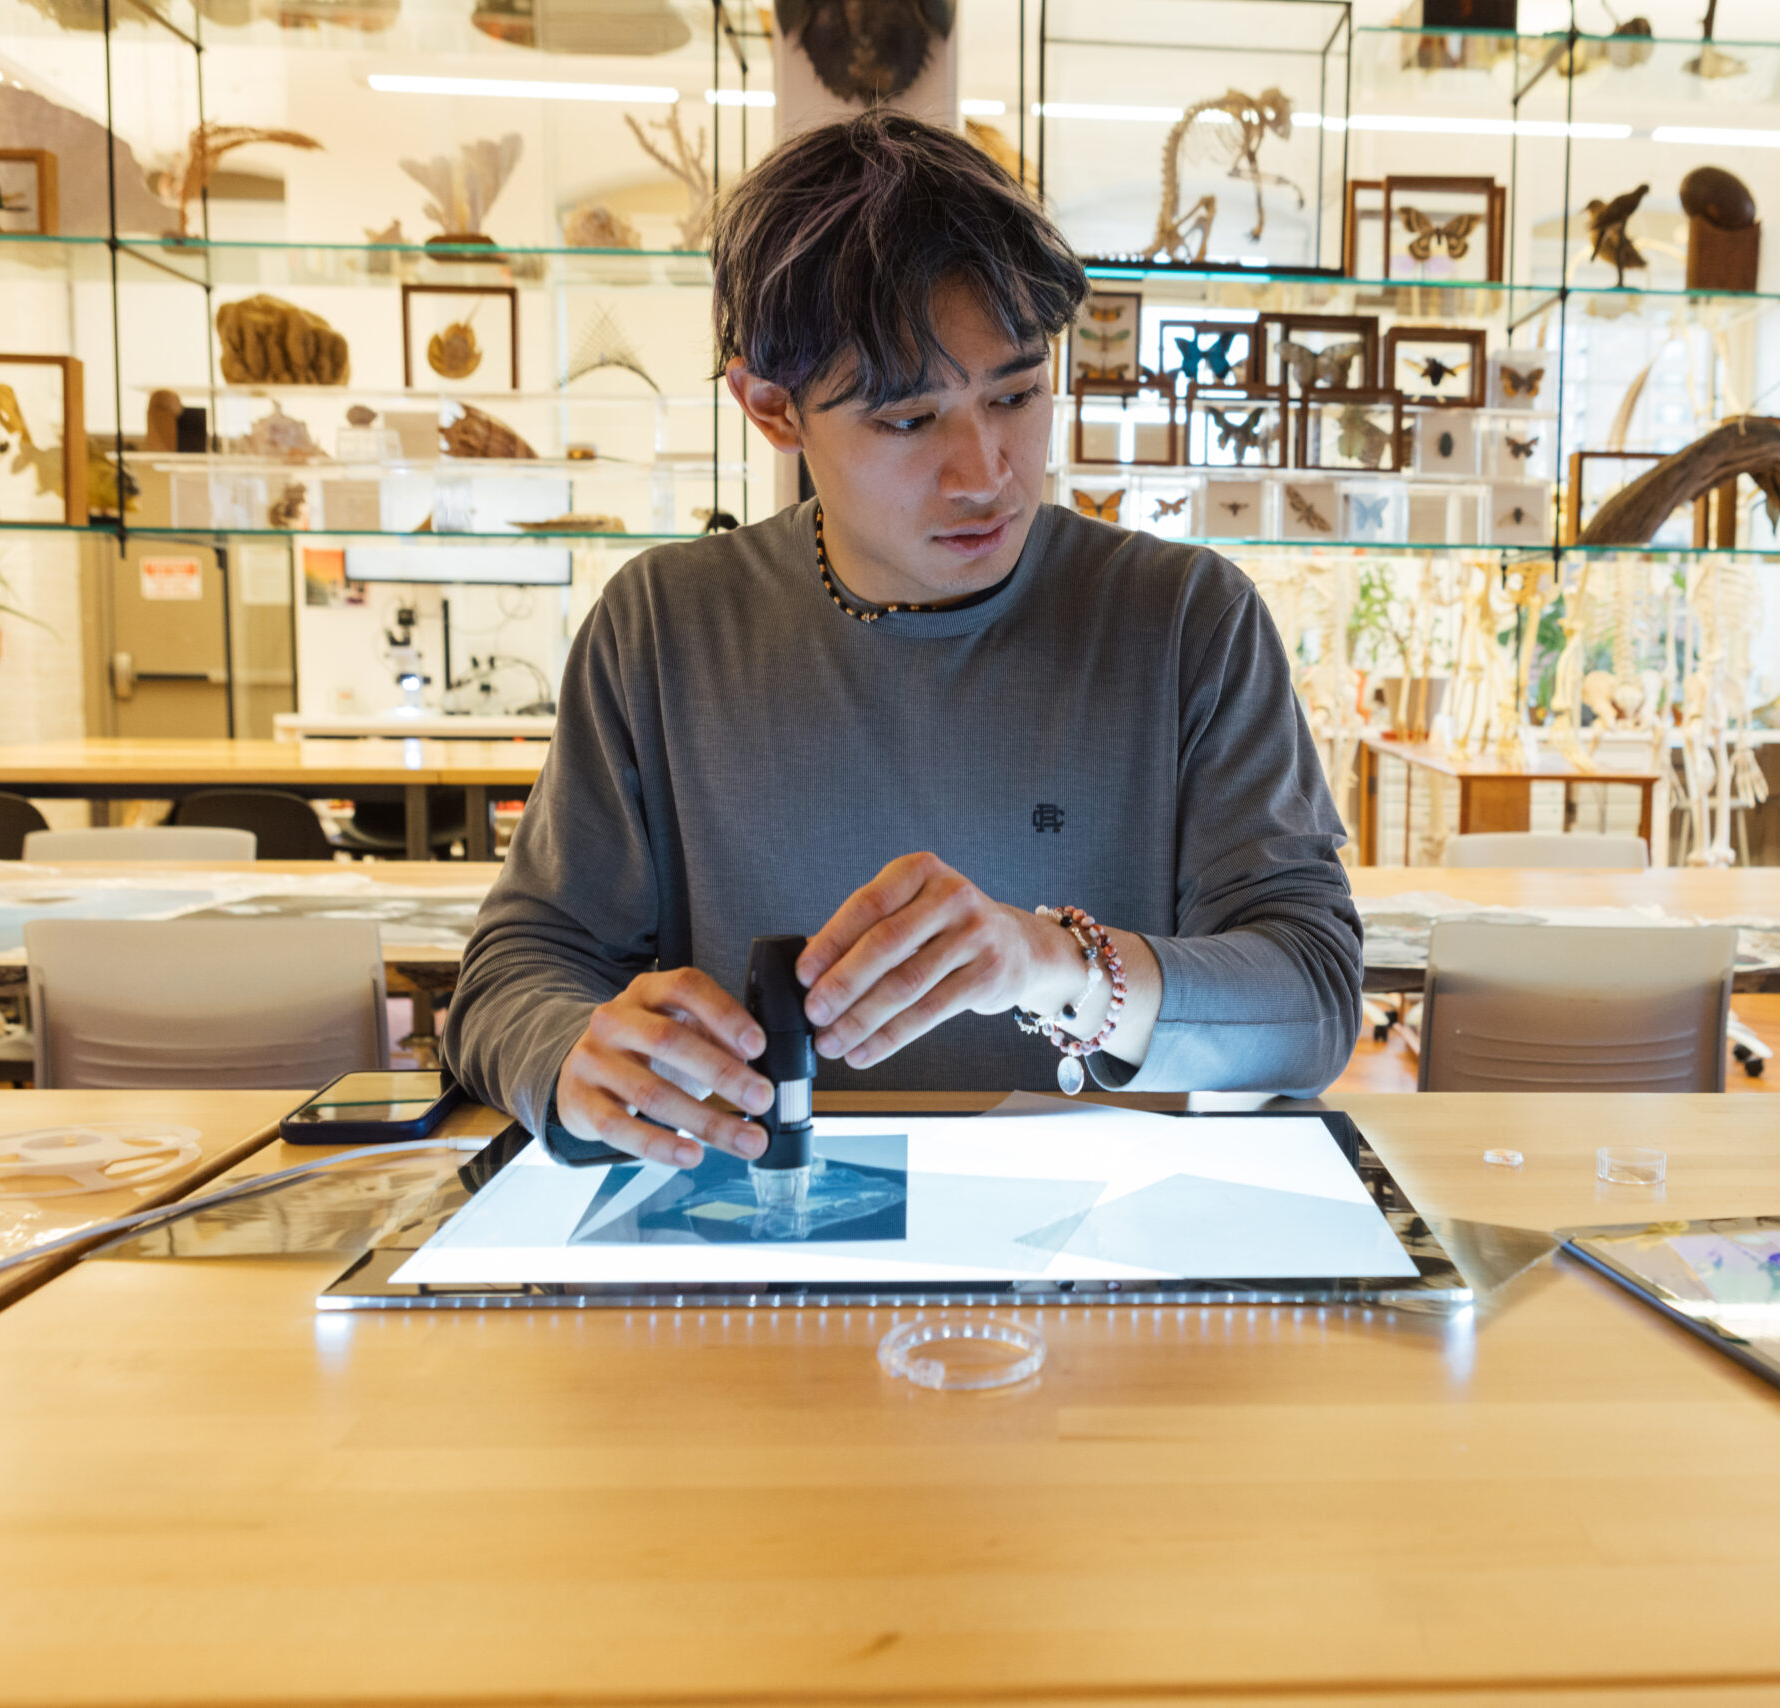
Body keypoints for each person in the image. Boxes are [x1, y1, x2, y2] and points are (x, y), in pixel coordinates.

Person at [441, 110, 1361, 1167]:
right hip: (754, 1234)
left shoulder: (1186, 619)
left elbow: (1313, 1001)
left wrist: (1054, 963)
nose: (985, 472)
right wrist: (571, 1054)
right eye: (907, 420)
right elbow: (519, 965)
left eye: (1016, 393)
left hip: (1104, 1254)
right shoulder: (663, 624)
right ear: (771, 409)